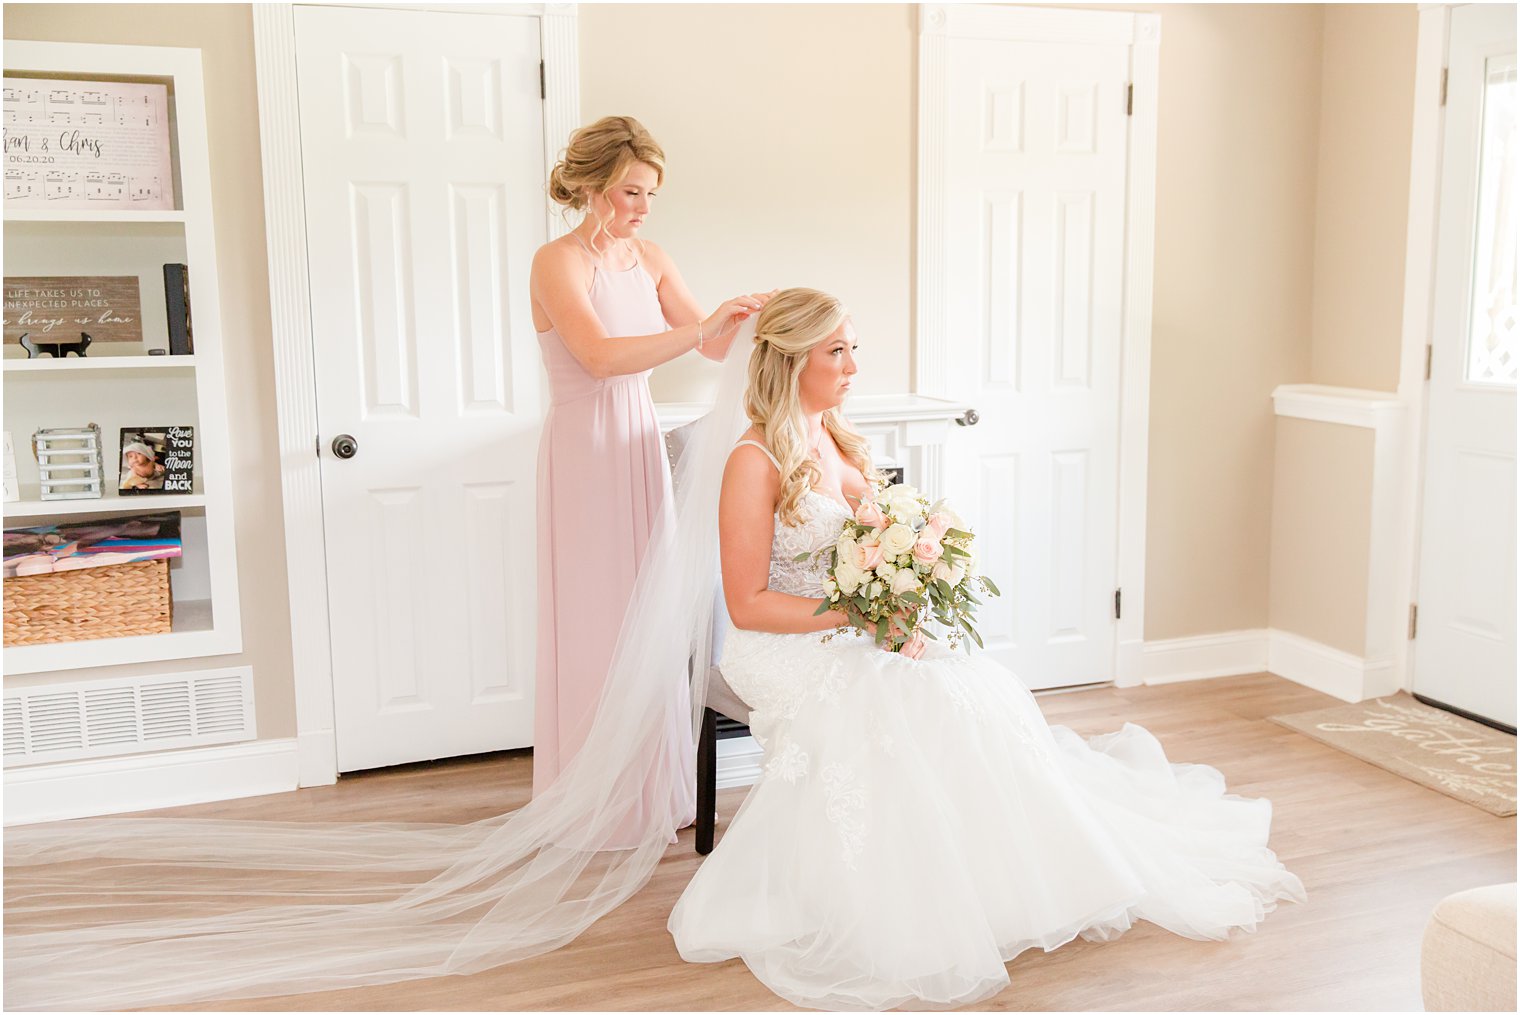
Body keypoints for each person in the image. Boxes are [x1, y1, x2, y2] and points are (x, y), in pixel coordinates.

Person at [664, 288, 1309, 1009]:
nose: (853, 365)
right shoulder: (752, 461)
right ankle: (907, 897)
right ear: (791, 362)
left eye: (854, 347)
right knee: (896, 703)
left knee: (981, 687)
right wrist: (859, 611)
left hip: (853, 625)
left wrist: (899, 601)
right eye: (836, 351)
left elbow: (873, 554)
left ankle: (1001, 880)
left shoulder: (843, 438)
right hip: (782, 644)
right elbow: (748, 602)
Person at [530, 114, 770, 802]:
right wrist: (700, 327)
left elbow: (711, 346)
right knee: (596, 617)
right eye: (630, 192)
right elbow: (601, 357)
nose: (641, 208)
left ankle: (648, 789)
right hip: (584, 451)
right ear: (592, 185)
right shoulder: (557, 262)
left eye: (649, 195)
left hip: (636, 444)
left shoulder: (654, 259)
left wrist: (749, 316)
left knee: (648, 616)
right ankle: (591, 796)